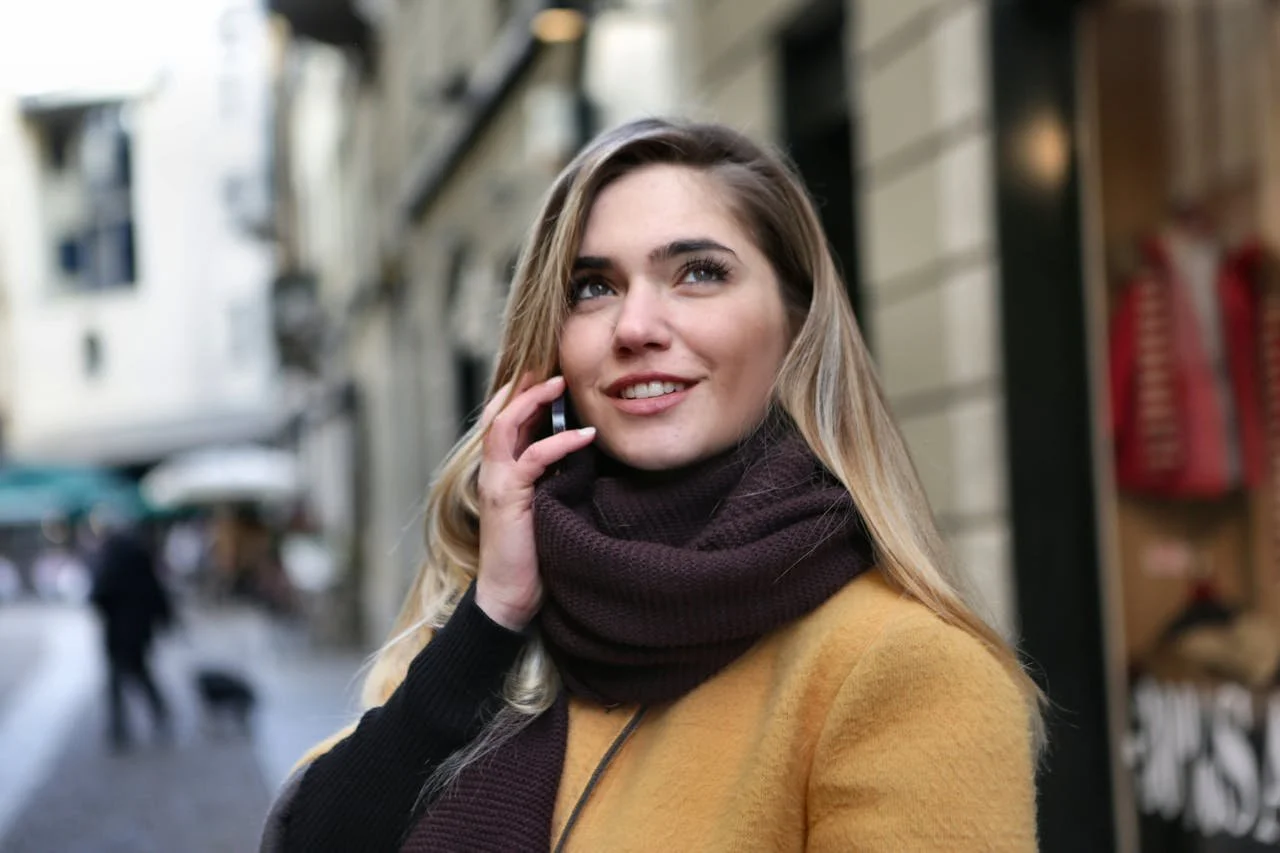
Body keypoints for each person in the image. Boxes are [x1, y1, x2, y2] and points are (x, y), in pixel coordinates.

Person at [261, 119, 1041, 852]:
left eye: (698, 273)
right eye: (593, 287)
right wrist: (492, 616)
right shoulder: (495, 620)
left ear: (797, 324)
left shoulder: (904, 670)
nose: (635, 326)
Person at [89, 522, 174, 749]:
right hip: (139, 628)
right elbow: (156, 591)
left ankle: (119, 728)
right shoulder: (140, 556)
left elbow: (98, 594)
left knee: (118, 680)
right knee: (141, 673)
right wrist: (165, 619)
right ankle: (160, 712)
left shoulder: (111, 559)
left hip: (117, 630)